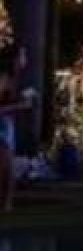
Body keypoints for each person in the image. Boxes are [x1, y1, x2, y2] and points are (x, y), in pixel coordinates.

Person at [0, 47, 34, 212]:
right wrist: (20, 105)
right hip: (2, 125)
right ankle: (6, 203)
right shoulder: (4, 77)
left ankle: (7, 203)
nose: (24, 58)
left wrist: (23, 103)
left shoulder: (18, 79)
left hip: (7, 125)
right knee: (5, 166)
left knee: (7, 166)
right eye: (22, 55)